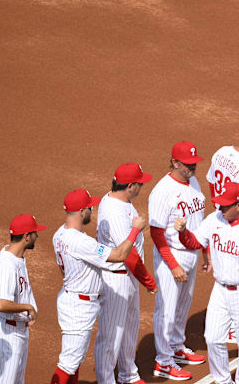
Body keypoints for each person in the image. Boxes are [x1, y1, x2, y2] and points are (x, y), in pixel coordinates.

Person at [174, 182, 239, 384]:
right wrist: (183, 232)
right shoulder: (215, 219)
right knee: (212, 338)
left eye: (225, 205)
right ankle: (223, 381)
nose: (220, 208)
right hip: (220, 290)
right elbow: (195, 243)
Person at [50, 189, 147, 384]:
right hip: (79, 305)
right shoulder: (82, 242)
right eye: (89, 207)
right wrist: (135, 230)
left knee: (74, 359)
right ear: (82, 211)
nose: (92, 210)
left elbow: (63, 269)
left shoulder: (58, 234)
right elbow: (120, 255)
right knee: (68, 362)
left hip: (72, 297)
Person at [149, 141, 209, 380]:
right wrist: (172, 264)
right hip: (171, 256)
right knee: (166, 309)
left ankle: (176, 346)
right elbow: (156, 232)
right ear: (174, 162)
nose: (192, 167)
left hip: (192, 253)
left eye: (194, 163)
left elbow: (199, 223)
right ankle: (162, 362)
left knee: (183, 305)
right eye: (187, 164)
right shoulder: (162, 192)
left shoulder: (192, 181)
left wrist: (205, 251)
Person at [95, 163, 157, 384]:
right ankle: (106, 380)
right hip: (116, 279)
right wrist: (149, 281)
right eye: (140, 183)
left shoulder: (121, 200)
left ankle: (128, 374)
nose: (142, 186)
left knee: (129, 329)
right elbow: (127, 255)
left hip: (128, 278)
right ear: (130, 186)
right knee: (111, 337)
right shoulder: (114, 211)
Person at [0, 214, 43, 384]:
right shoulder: (7, 264)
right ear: (26, 237)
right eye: (34, 233)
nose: (37, 236)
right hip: (7, 335)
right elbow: (0, 303)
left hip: (17, 331)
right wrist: (27, 307)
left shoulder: (16, 257)